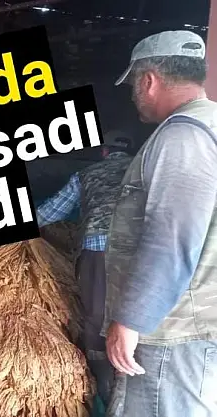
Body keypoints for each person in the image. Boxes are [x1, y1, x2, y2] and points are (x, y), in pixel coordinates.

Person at [102, 30, 217, 417]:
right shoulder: (210, 124)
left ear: (148, 80)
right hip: (199, 321)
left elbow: (171, 237)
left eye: (134, 84)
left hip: (173, 330)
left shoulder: (183, 136)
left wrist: (131, 319)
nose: (133, 95)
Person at [35, 130, 135, 407]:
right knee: (136, 313)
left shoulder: (87, 174)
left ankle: (105, 386)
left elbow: (49, 212)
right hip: (139, 249)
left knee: (96, 316)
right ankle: (132, 381)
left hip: (97, 251)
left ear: (103, 152)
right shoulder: (146, 168)